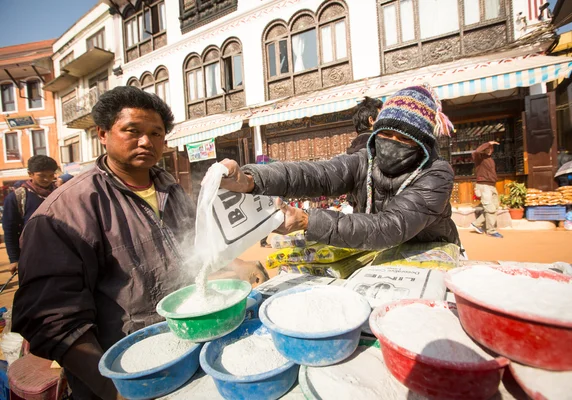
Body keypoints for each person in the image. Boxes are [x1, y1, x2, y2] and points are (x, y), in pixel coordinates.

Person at [12, 86, 266, 400]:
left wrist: (235, 264)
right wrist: (114, 388)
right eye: (132, 131)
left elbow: (192, 250)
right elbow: (52, 320)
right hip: (125, 372)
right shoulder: (66, 211)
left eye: (156, 133)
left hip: (186, 351)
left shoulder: (168, 187)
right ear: (102, 134)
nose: (146, 141)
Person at [219, 85, 460, 250]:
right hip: (376, 255)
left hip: (429, 254)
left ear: (422, 145)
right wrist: (251, 179)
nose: (392, 144)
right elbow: (317, 174)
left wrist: (307, 221)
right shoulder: (365, 159)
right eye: (386, 134)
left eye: (405, 139)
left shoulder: (436, 173)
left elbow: (389, 227)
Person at [2, 155, 58, 274]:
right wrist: (14, 259)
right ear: (30, 174)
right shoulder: (16, 198)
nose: (47, 179)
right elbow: (10, 230)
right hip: (30, 255)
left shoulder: (61, 193)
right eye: (42, 176)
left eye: (51, 175)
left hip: (60, 253)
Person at [471, 141, 503, 238]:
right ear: (484, 149)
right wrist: (488, 143)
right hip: (484, 186)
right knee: (490, 208)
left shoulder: (490, 159)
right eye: (488, 149)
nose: (490, 150)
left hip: (491, 186)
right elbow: (476, 151)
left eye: (491, 148)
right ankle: (491, 231)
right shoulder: (479, 158)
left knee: (494, 207)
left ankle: (476, 224)